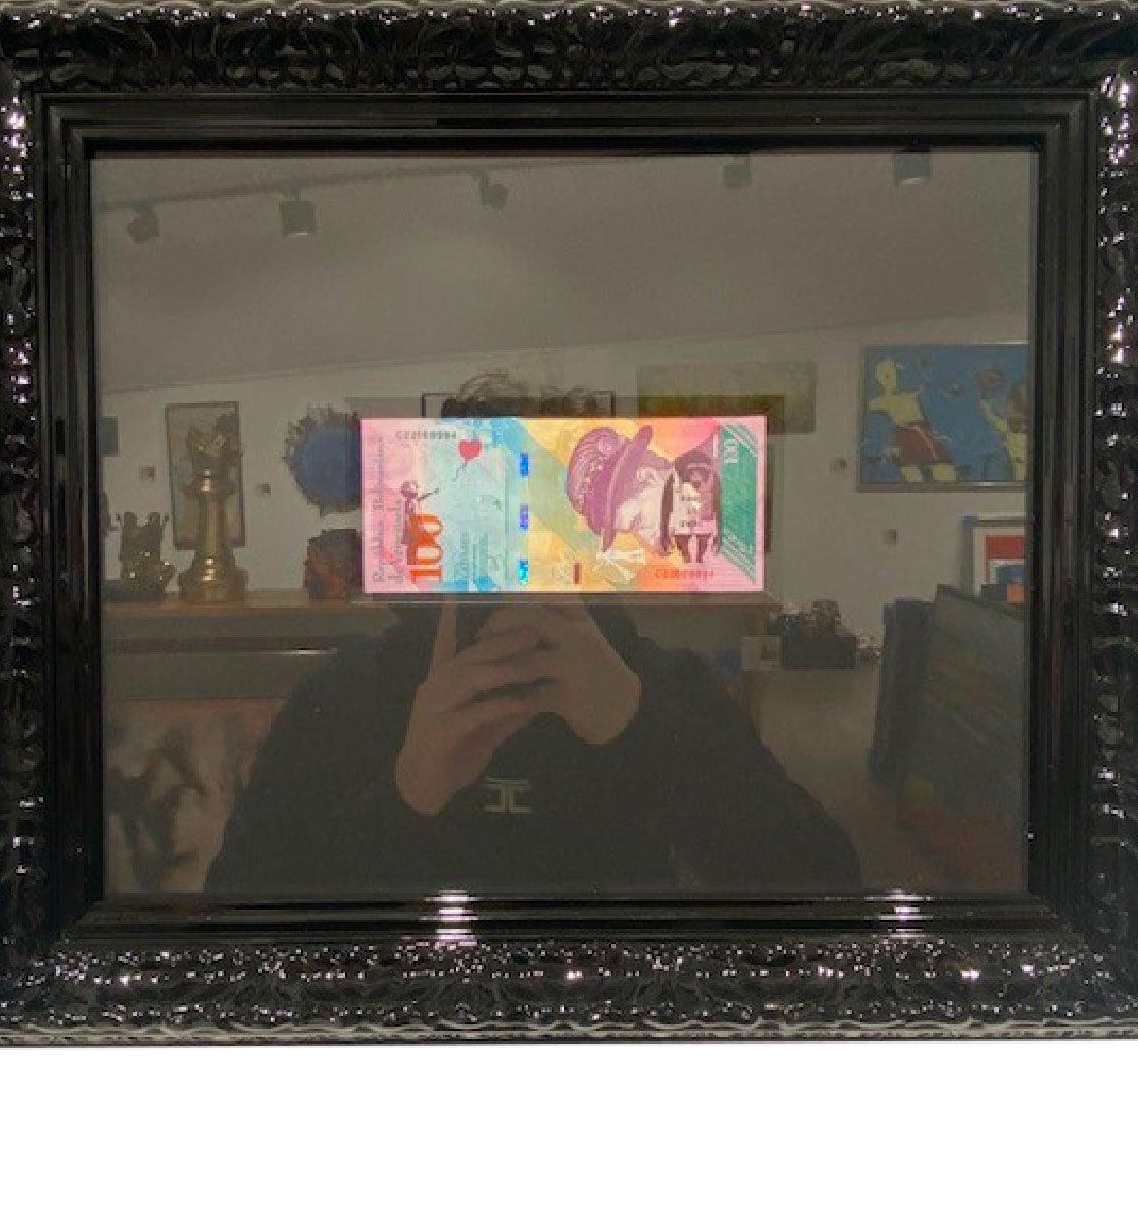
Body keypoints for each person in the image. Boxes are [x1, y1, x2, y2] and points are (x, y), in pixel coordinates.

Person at [205, 373, 860, 899]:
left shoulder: (665, 688)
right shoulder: (344, 697)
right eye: (483, 518)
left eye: (552, 524)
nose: (516, 567)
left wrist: (639, 726)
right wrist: (405, 797)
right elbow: (237, 915)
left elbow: (826, 887)